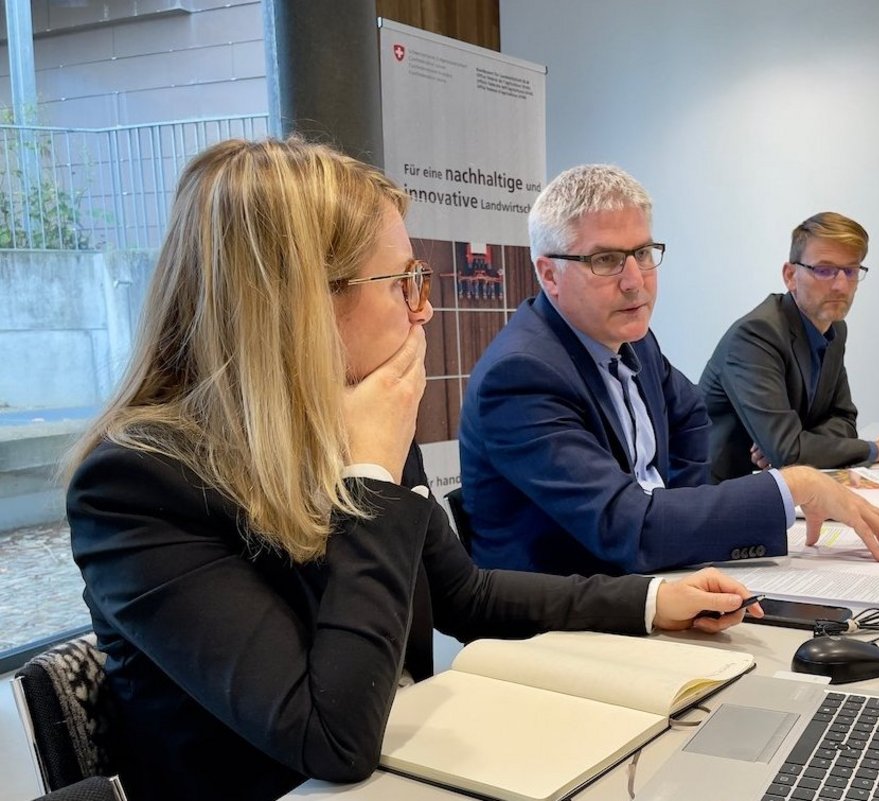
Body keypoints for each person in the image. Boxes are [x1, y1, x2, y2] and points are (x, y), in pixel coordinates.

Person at [64, 139, 762, 801]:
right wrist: (367, 474)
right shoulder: (135, 486)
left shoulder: (353, 422)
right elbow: (329, 735)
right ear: (299, 302)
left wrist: (647, 601)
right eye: (401, 282)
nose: (422, 307)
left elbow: (467, 595)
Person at [459, 166, 879, 577]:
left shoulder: (631, 337)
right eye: (605, 260)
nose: (635, 279)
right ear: (549, 275)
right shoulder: (521, 376)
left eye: (642, 253)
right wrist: (792, 485)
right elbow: (628, 528)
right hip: (565, 621)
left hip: (652, 578)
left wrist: (681, 520)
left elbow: (692, 413)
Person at [699, 212, 879, 482]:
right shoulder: (756, 336)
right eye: (824, 270)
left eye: (850, 270)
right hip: (721, 496)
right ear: (790, 275)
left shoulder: (835, 328)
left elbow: (845, 420)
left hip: (783, 489)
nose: (841, 285)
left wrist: (798, 446)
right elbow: (790, 452)